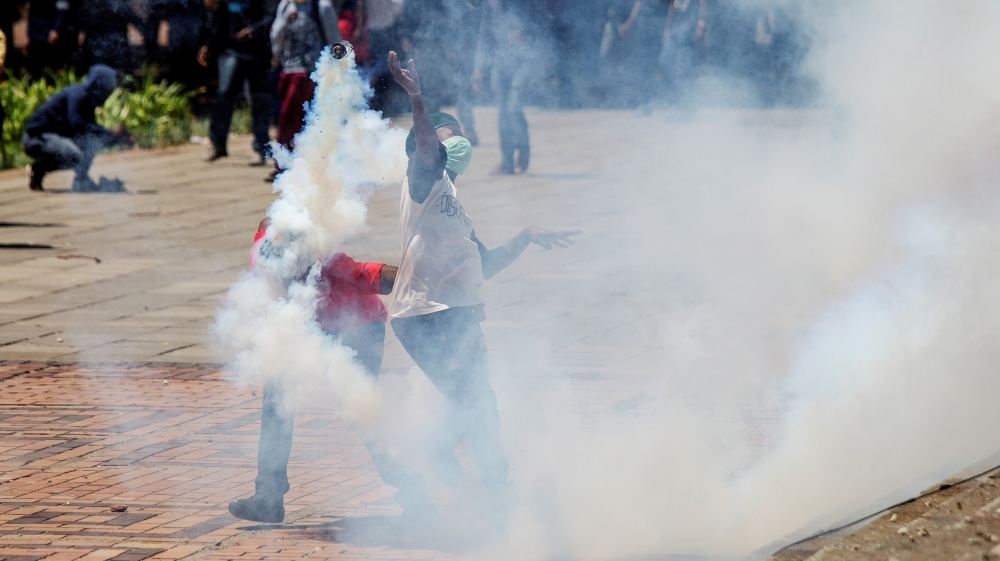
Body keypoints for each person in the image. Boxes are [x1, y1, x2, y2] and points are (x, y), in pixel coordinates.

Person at [386, 51, 579, 524]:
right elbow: (428, 147)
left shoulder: (454, 203)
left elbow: (484, 265)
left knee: (482, 401)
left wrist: (526, 237)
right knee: (470, 399)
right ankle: (436, 450)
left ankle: (499, 494)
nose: (458, 144)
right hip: (421, 314)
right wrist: (417, 98)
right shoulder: (422, 182)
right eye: (448, 137)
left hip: (456, 309)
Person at [230, 218, 437, 523]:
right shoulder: (265, 250)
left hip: (360, 331)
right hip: (312, 327)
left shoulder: (332, 265)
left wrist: (432, 281)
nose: (285, 284)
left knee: (361, 411)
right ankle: (268, 498)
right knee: (277, 397)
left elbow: (379, 276)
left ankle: (417, 497)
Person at [23, 64, 134, 192]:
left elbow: (93, 135)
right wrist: (111, 132)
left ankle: (81, 181)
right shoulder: (78, 95)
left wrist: (118, 139)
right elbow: (77, 125)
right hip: (36, 139)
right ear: (99, 83)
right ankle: (39, 170)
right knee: (74, 156)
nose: (111, 91)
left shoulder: (88, 101)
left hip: (52, 138)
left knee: (91, 143)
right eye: (109, 86)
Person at [472, 0, 550, 174]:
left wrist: (525, 33)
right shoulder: (491, 3)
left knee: (514, 108)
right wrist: (478, 68)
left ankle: (523, 153)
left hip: (525, 60)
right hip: (500, 62)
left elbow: (544, 22)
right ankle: (506, 162)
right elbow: (484, 35)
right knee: (502, 114)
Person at [267, 0, 340, 182]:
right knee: (289, 119)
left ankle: (287, 164)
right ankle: (292, 163)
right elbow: (275, 38)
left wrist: (340, 69)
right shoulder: (285, 5)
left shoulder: (321, 6)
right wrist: (286, 21)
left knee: (298, 119)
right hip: (288, 69)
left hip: (313, 72)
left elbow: (335, 40)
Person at [198, 0, 277, 165]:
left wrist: (253, 30)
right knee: (224, 94)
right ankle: (217, 145)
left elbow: (272, 16)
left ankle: (261, 148)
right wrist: (208, 45)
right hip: (233, 51)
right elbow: (221, 23)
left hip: (258, 54)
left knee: (259, 100)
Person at [77, 0, 143, 73]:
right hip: (116, 51)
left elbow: (83, 31)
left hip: (98, 51)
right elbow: (136, 21)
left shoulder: (93, 6)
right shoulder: (120, 5)